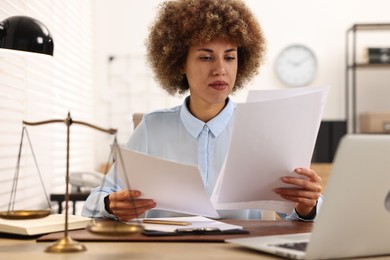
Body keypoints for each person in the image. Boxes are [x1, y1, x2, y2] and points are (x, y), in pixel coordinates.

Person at [82, 0, 323, 222]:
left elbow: (296, 212)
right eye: (206, 57)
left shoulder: (259, 128)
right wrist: (111, 204)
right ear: (180, 64)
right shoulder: (152, 129)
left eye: (229, 57)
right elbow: (94, 202)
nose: (220, 69)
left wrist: (307, 207)